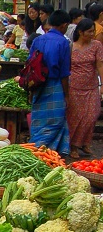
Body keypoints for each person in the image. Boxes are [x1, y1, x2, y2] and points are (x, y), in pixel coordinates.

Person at [29, 9, 71, 154]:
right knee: (56, 121)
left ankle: (37, 147)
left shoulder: (37, 40)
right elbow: (65, 73)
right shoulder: (63, 42)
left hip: (38, 86)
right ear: (64, 25)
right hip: (55, 86)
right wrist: (67, 95)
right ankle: (42, 150)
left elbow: (29, 66)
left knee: (39, 120)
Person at [65, 17, 103, 158]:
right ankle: (74, 146)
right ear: (81, 32)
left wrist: (102, 84)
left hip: (92, 87)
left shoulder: (97, 45)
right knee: (75, 118)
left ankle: (85, 142)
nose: (93, 34)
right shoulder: (70, 47)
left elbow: (100, 65)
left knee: (92, 116)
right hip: (74, 88)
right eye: (90, 31)